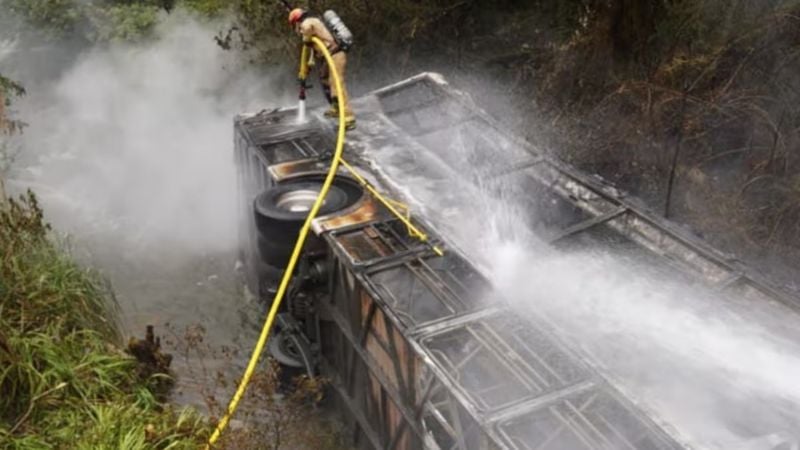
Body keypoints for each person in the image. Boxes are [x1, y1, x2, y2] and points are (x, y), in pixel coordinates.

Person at [289, 8, 356, 129]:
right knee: (324, 79)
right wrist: (303, 73)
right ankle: (336, 108)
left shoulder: (308, 22)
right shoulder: (312, 31)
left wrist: (305, 37)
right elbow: (309, 57)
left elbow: (307, 28)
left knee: (336, 83)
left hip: (336, 54)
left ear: (296, 22)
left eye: (294, 25)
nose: (296, 29)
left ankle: (348, 116)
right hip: (328, 57)